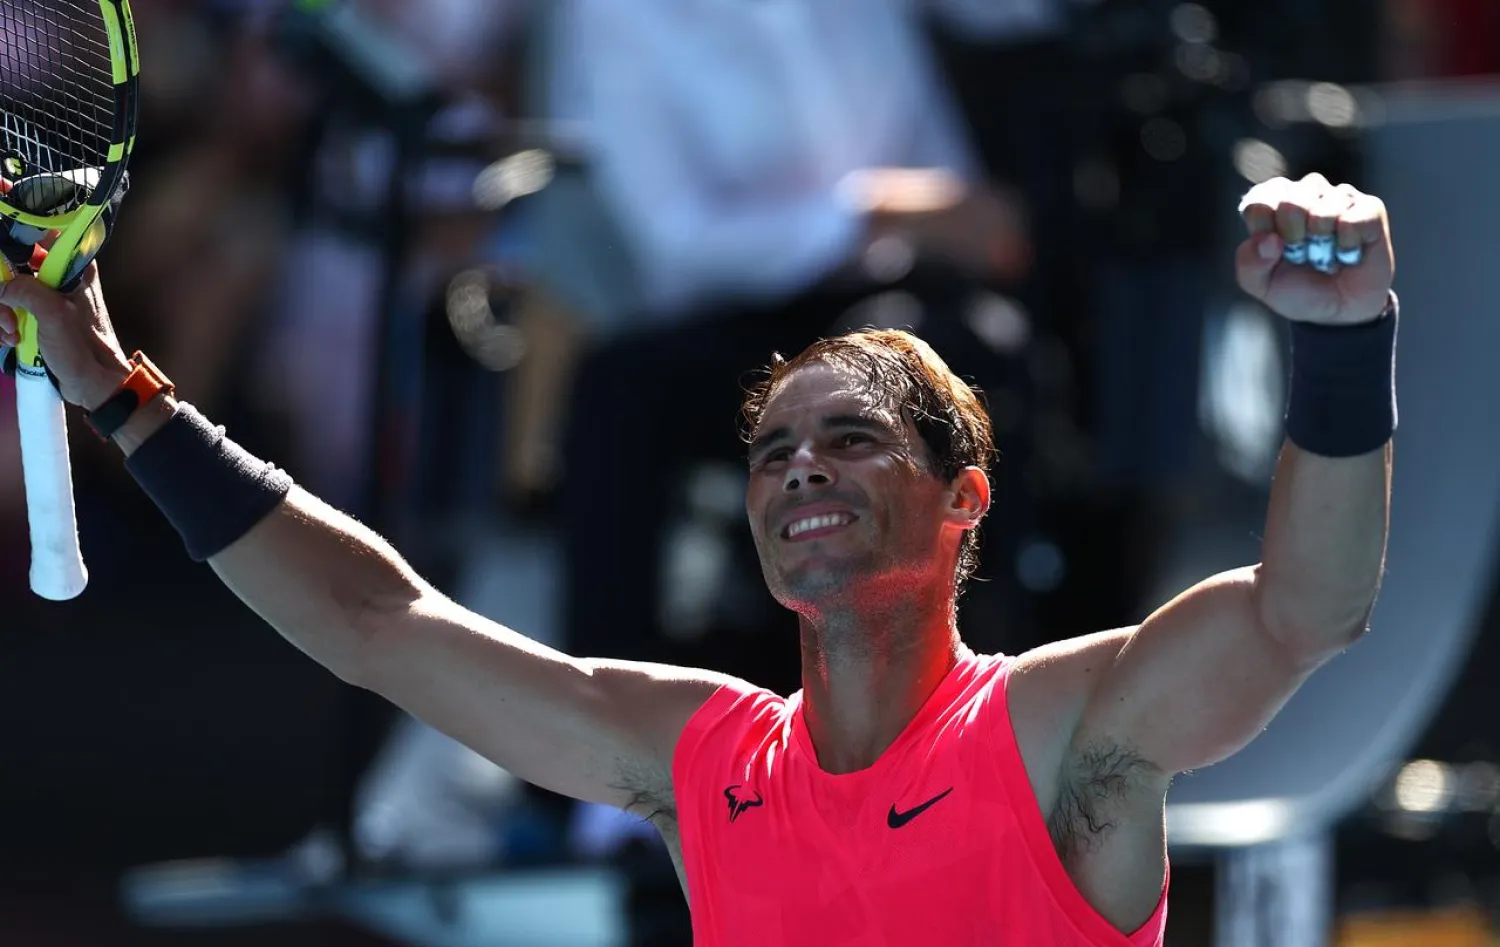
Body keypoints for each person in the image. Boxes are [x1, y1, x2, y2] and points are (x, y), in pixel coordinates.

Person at [0, 172, 1397, 944]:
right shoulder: (702, 760)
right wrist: (120, 392)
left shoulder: (1061, 731)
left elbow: (1305, 612)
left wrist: (1341, 348)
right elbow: (378, 620)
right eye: (774, 450)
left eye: (851, 439)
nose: (800, 467)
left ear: (962, 501)